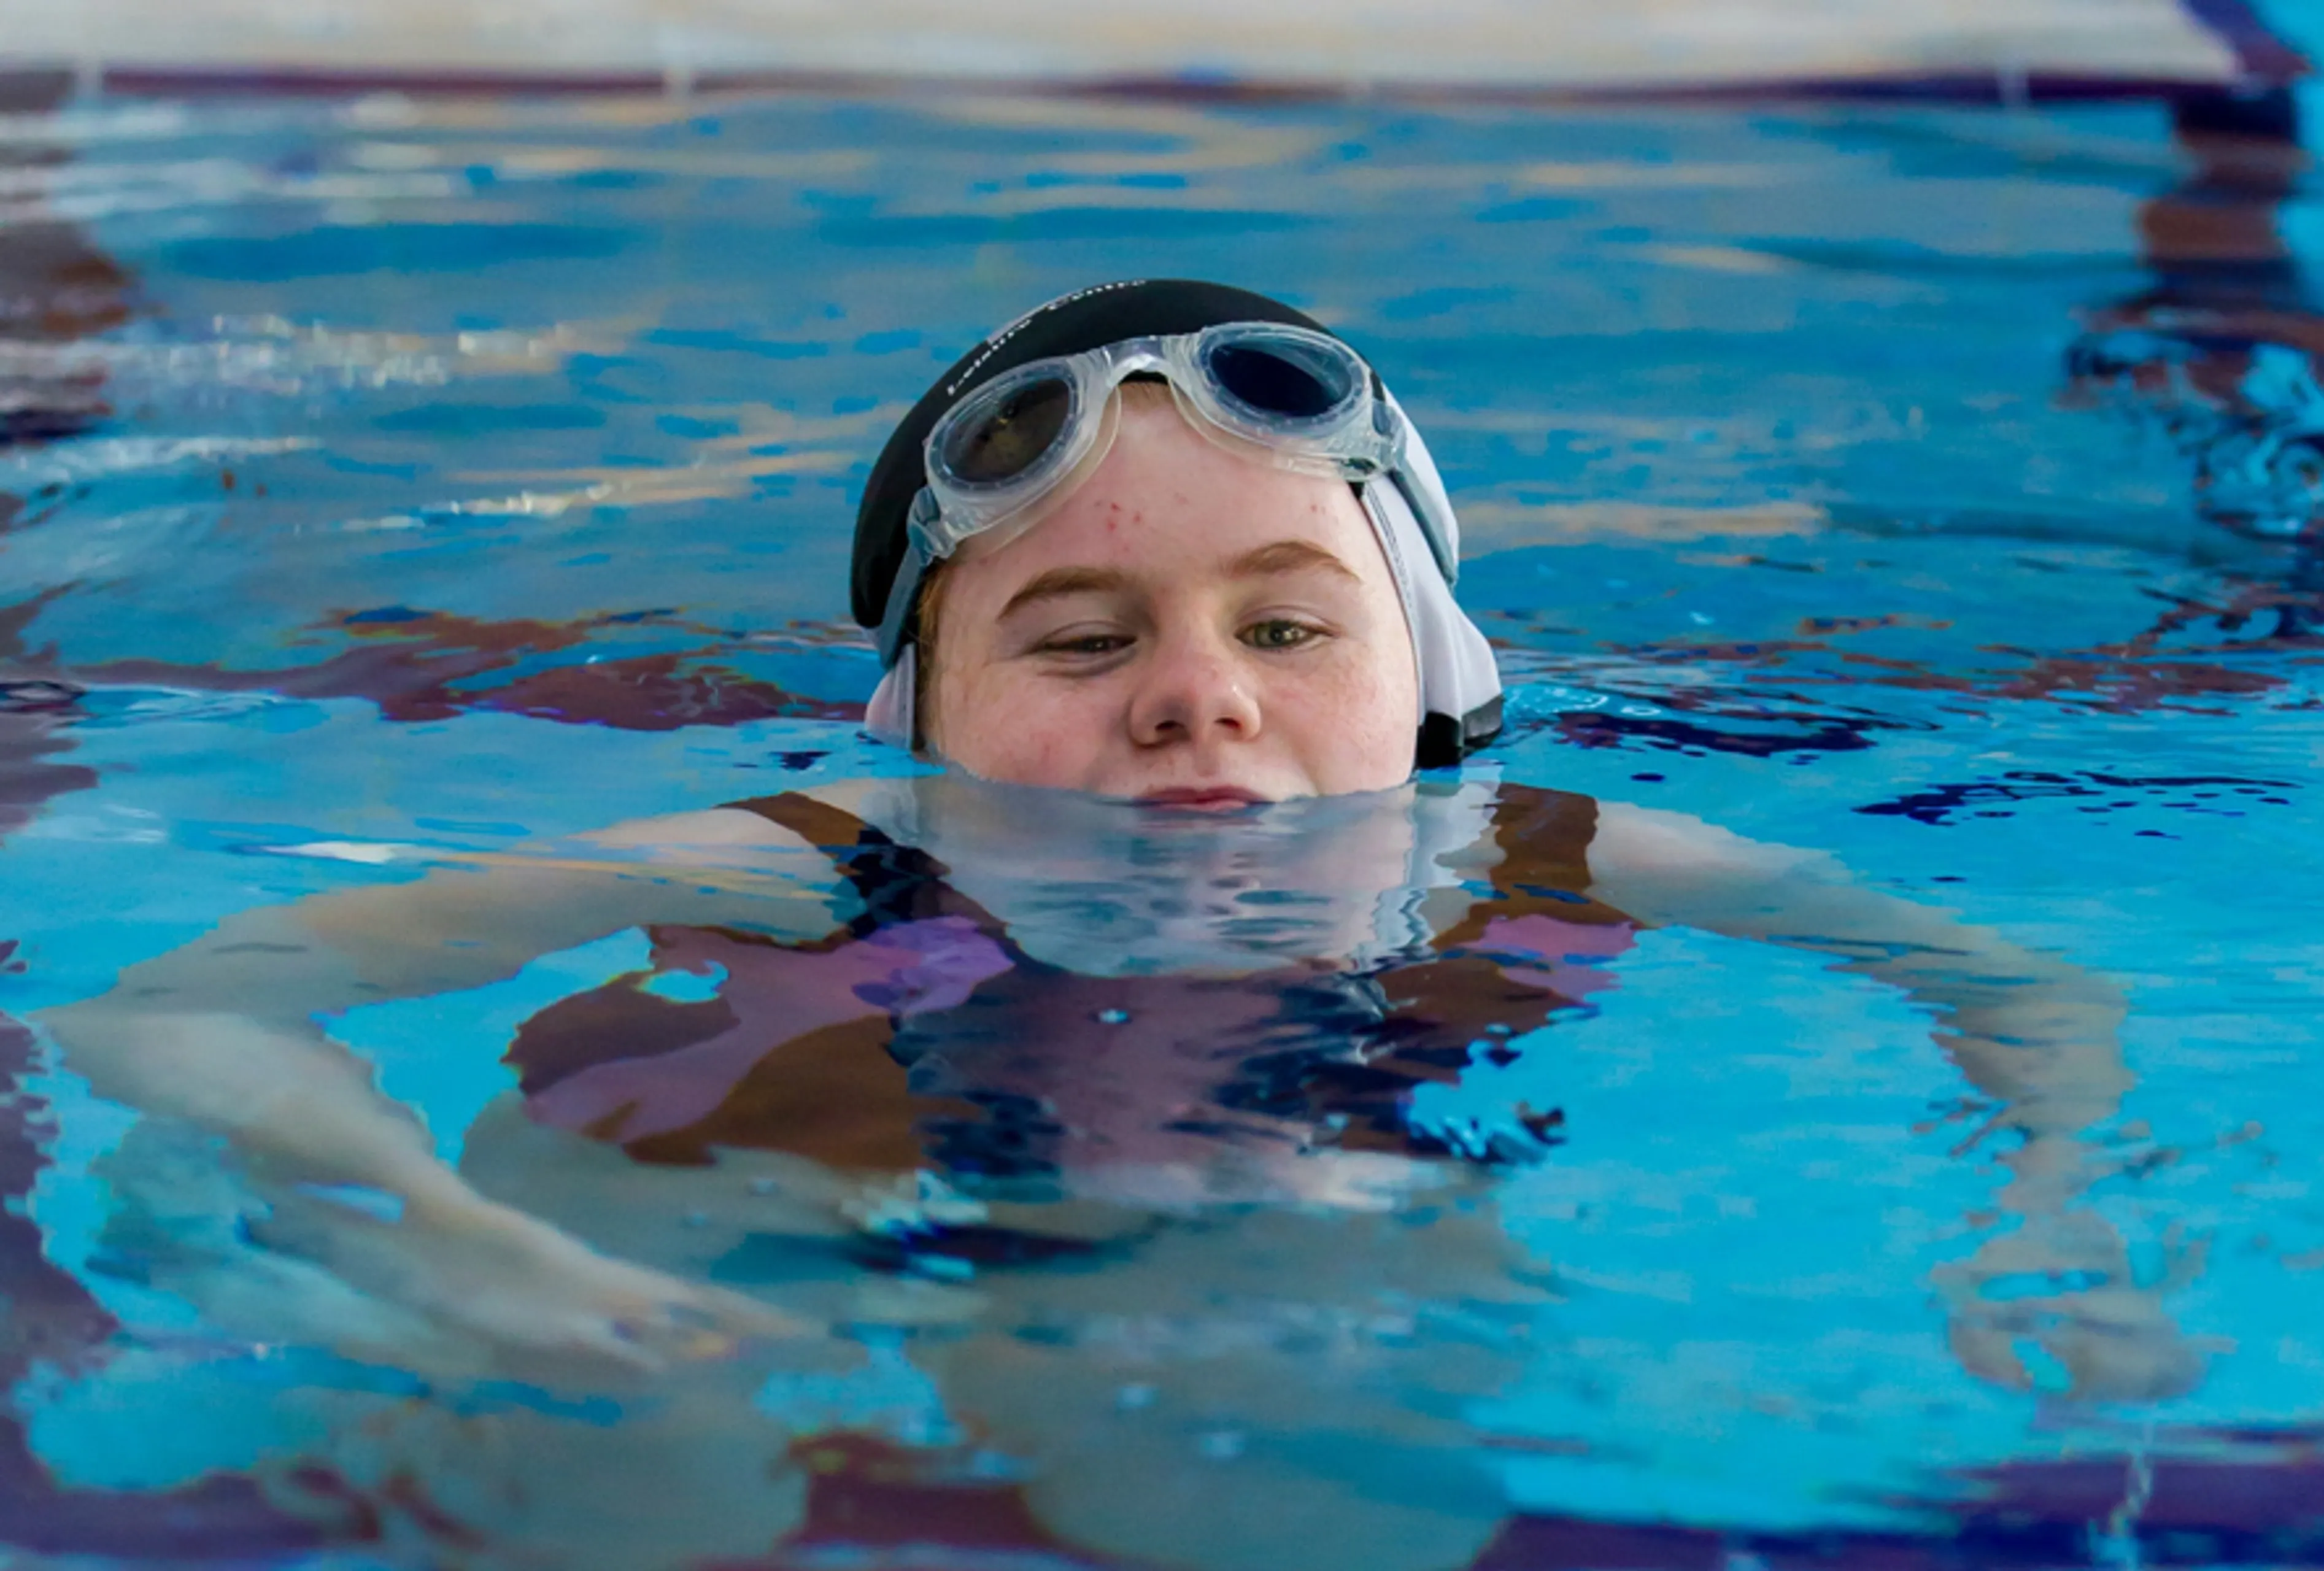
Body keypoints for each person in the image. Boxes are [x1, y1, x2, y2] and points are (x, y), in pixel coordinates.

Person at [36, 280, 2195, 1564]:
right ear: (920, 730)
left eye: (1285, 623)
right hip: (752, 1210)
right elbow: (183, 1006)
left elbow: (2016, 978)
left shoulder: (1536, 845)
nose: (1201, 692)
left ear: (1433, 682)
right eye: (1080, 641)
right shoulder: (800, 856)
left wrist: (2055, 1210)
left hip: (1287, 1209)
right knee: (625, 1467)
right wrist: (462, 1244)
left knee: (1348, 1445)